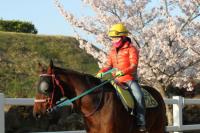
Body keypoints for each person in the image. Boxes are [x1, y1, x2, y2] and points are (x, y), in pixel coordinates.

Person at [96, 23, 146, 132]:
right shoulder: (112, 50)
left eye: (116, 38)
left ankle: (141, 122)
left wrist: (122, 72)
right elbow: (108, 65)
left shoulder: (131, 49)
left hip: (129, 80)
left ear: (123, 37)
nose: (114, 40)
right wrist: (101, 72)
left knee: (139, 97)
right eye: (112, 38)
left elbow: (133, 65)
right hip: (115, 81)